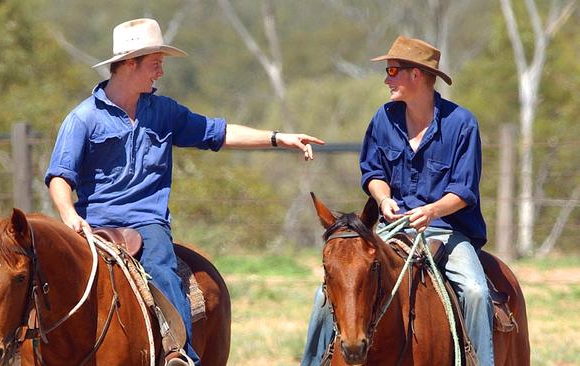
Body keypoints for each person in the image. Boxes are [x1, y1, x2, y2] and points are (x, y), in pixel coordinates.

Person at [44, 18, 324, 366]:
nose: (160, 72)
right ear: (130, 63)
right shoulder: (83, 118)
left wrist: (278, 138)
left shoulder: (165, 112)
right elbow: (60, 176)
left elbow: (217, 133)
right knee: (45, 278)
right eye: (155, 63)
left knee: (161, 267)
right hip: (94, 223)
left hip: (147, 223)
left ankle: (180, 355)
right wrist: (69, 215)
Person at [300, 36, 493, 366]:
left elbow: (464, 192)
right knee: (324, 294)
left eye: (392, 70)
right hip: (392, 230)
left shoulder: (462, 124)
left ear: (416, 75)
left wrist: (432, 211)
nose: (386, 79)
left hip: (446, 231)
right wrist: (384, 198)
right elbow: (372, 172)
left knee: (476, 292)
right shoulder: (383, 118)